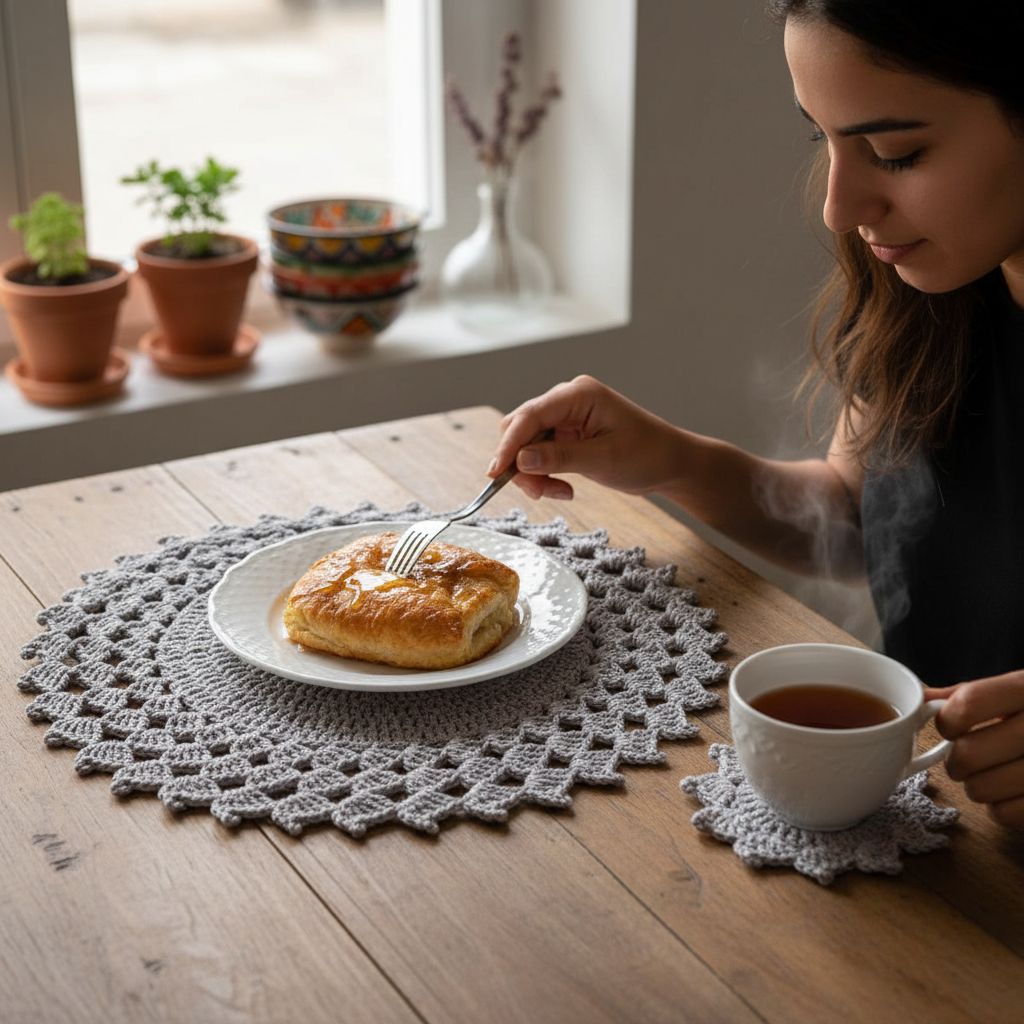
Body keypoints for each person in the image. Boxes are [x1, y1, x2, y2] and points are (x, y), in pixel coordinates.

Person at [486, 1, 1024, 827]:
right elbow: (857, 520)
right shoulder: (935, 295)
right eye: (823, 138)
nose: (840, 208)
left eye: (895, 152)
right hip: (924, 821)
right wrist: (671, 461)